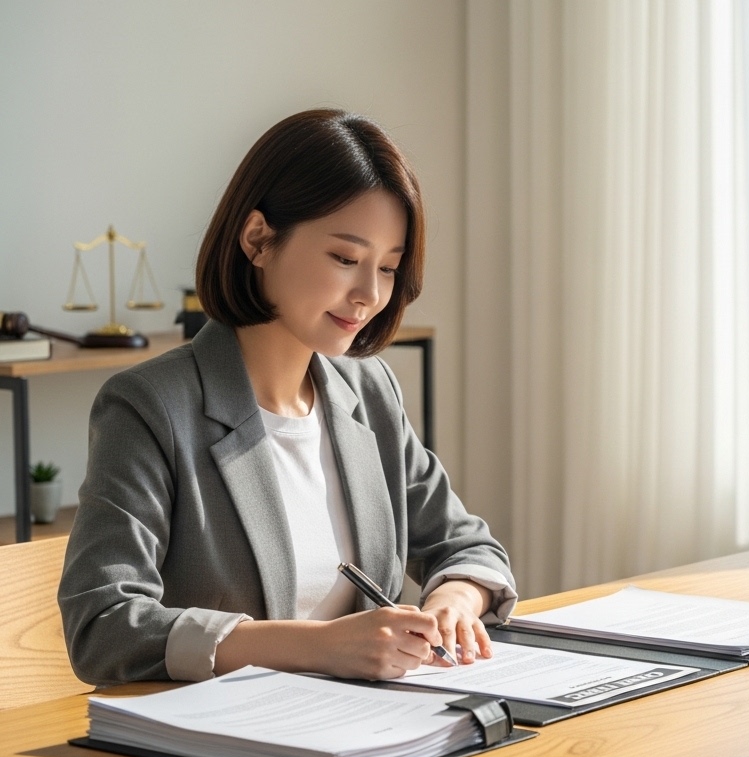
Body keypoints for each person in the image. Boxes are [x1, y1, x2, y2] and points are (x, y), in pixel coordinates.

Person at [59, 110, 516, 686]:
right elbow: (103, 627)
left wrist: (456, 600)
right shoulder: (149, 406)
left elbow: (465, 543)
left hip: (363, 735)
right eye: (345, 259)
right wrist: (316, 647)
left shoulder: (369, 391)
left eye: (389, 268)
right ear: (258, 239)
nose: (369, 294)